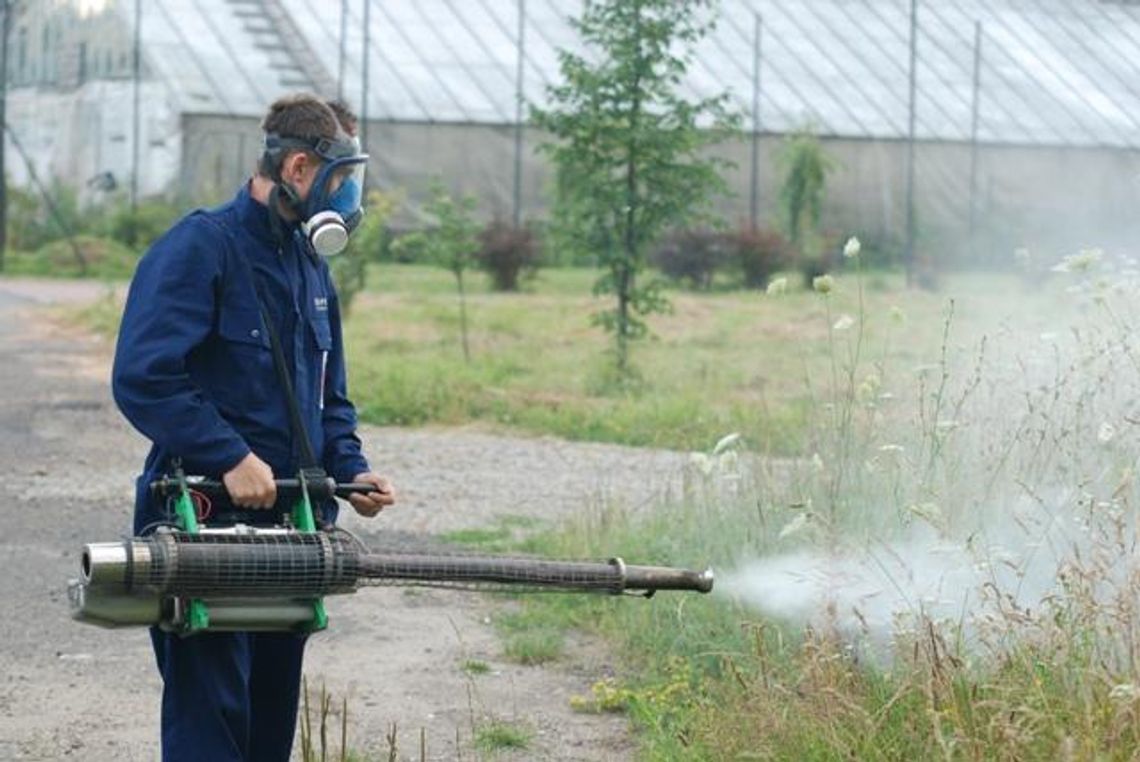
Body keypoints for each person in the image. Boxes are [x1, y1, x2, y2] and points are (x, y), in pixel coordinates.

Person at [111, 93, 396, 762]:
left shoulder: (310, 267)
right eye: (342, 176)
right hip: (201, 521)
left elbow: (330, 400)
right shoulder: (199, 248)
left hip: (294, 530)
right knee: (210, 725)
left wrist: (351, 472)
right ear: (300, 167)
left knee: (268, 729)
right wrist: (228, 453)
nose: (350, 193)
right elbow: (144, 377)